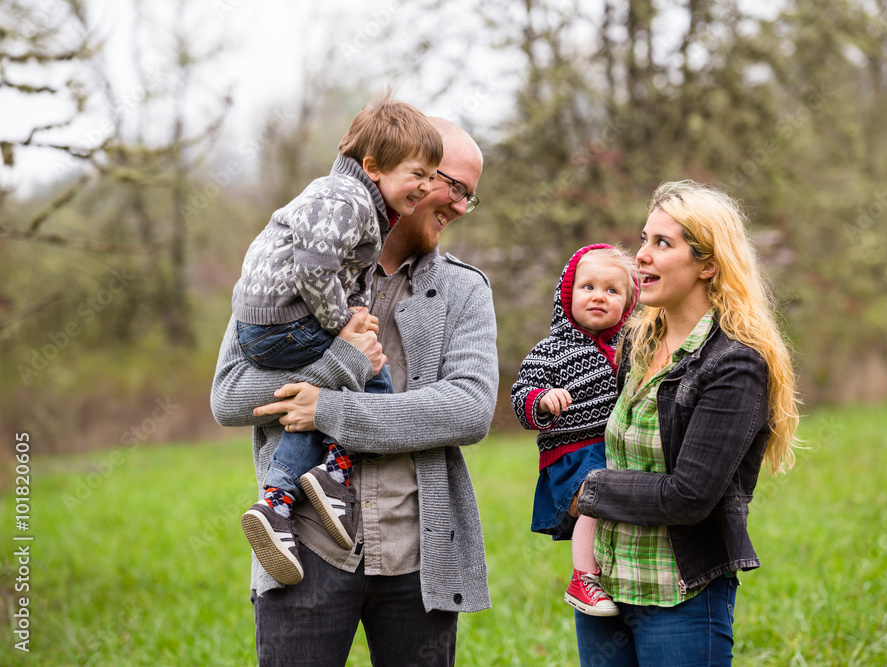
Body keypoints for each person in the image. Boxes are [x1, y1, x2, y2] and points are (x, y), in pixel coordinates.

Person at [211, 117, 497, 667]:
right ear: (402, 168)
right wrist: (339, 363)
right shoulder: (290, 264)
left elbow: (468, 408)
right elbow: (229, 395)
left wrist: (328, 409)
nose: (462, 207)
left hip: (418, 554)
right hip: (302, 548)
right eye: (455, 186)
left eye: (471, 196)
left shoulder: (463, 289)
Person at [572, 180, 800, 666]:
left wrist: (588, 490)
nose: (641, 256)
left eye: (662, 243)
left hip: (680, 596)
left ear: (708, 264)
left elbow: (689, 496)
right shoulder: (635, 345)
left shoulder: (734, 364)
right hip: (604, 592)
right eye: (644, 239)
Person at [230, 91, 442, 586]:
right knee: (373, 370)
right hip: (284, 322)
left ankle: (277, 503)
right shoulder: (346, 199)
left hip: (265, 322)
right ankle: (334, 471)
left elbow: (337, 268)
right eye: (418, 174)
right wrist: (341, 326)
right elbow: (314, 267)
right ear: (372, 167)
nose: (427, 187)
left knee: (320, 392)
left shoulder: (343, 196)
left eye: (433, 176)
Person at [511, 244, 639, 617]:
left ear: (628, 303)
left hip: (614, 448)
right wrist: (541, 400)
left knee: (623, 504)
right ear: (567, 295)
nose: (599, 296)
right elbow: (520, 397)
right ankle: (582, 578)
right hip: (572, 454)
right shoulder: (550, 351)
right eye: (588, 287)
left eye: (612, 290)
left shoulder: (630, 347)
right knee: (598, 496)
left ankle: (612, 572)